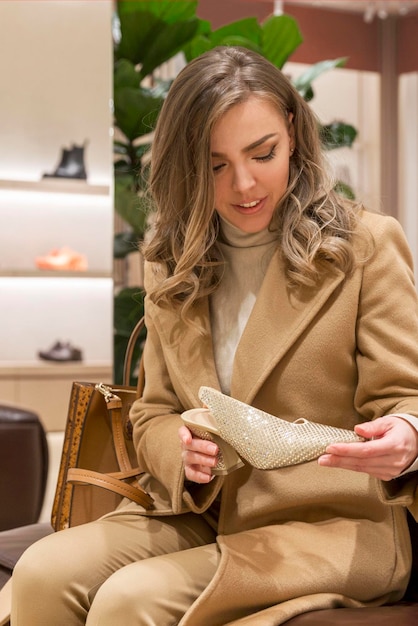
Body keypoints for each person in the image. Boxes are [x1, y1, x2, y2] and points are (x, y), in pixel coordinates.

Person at [11, 45, 418, 626]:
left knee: (132, 600)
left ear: (295, 138)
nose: (244, 184)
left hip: (332, 523)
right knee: (40, 574)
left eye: (263, 153)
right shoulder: (173, 261)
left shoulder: (365, 247)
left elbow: (408, 397)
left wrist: (405, 432)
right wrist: (178, 449)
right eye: (215, 163)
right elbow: (153, 411)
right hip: (202, 512)